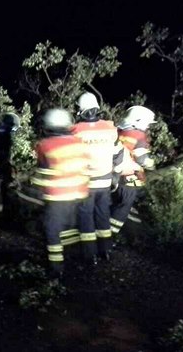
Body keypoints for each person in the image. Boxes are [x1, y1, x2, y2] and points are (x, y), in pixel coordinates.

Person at [31, 108, 90, 279]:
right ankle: (75, 261)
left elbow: (43, 170)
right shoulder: (79, 142)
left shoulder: (44, 145)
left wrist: (36, 189)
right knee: (70, 227)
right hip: (79, 193)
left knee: (52, 230)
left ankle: (56, 269)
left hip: (57, 195)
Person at [71, 92, 124, 264]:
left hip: (85, 182)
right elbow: (119, 153)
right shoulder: (110, 128)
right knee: (103, 214)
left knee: (86, 216)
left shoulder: (75, 130)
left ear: (80, 110)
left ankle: (90, 255)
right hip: (105, 180)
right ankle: (105, 250)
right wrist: (116, 175)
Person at [110, 105, 157, 236]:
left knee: (114, 202)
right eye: (147, 123)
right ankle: (109, 235)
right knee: (123, 207)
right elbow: (142, 160)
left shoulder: (118, 130)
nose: (148, 127)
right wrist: (152, 164)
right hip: (129, 179)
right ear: (138, 121)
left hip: (113, 175)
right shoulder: (139, 136)